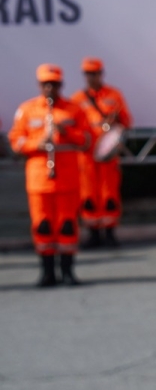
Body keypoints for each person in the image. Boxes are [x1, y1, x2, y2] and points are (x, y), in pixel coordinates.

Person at [8, 64, 93, 287]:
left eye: (54, 84)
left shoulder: (74, 110)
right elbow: (16, 141)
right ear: (39, 85)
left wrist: (67, 132)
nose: (50, 88)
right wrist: (37, 143)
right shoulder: (27, 110)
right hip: (38, 181)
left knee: (67, 226)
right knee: (42, 226)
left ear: (61, 85)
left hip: (67, 179)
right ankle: (47, 273)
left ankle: (67, 272)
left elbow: (87, 140)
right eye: (46, 84)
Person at [71, 57, 132, 248]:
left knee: (109, 193)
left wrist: (115, 122)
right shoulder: (77, 99)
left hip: (108, 153)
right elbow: (74, 126)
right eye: (87, 73)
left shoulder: (114, 95)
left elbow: (127, 122)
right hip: (86, 154)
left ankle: (110, 233)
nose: (91, 77)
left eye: (94, 73)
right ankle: (93, 234)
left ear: (101, 74)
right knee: (89, 195)